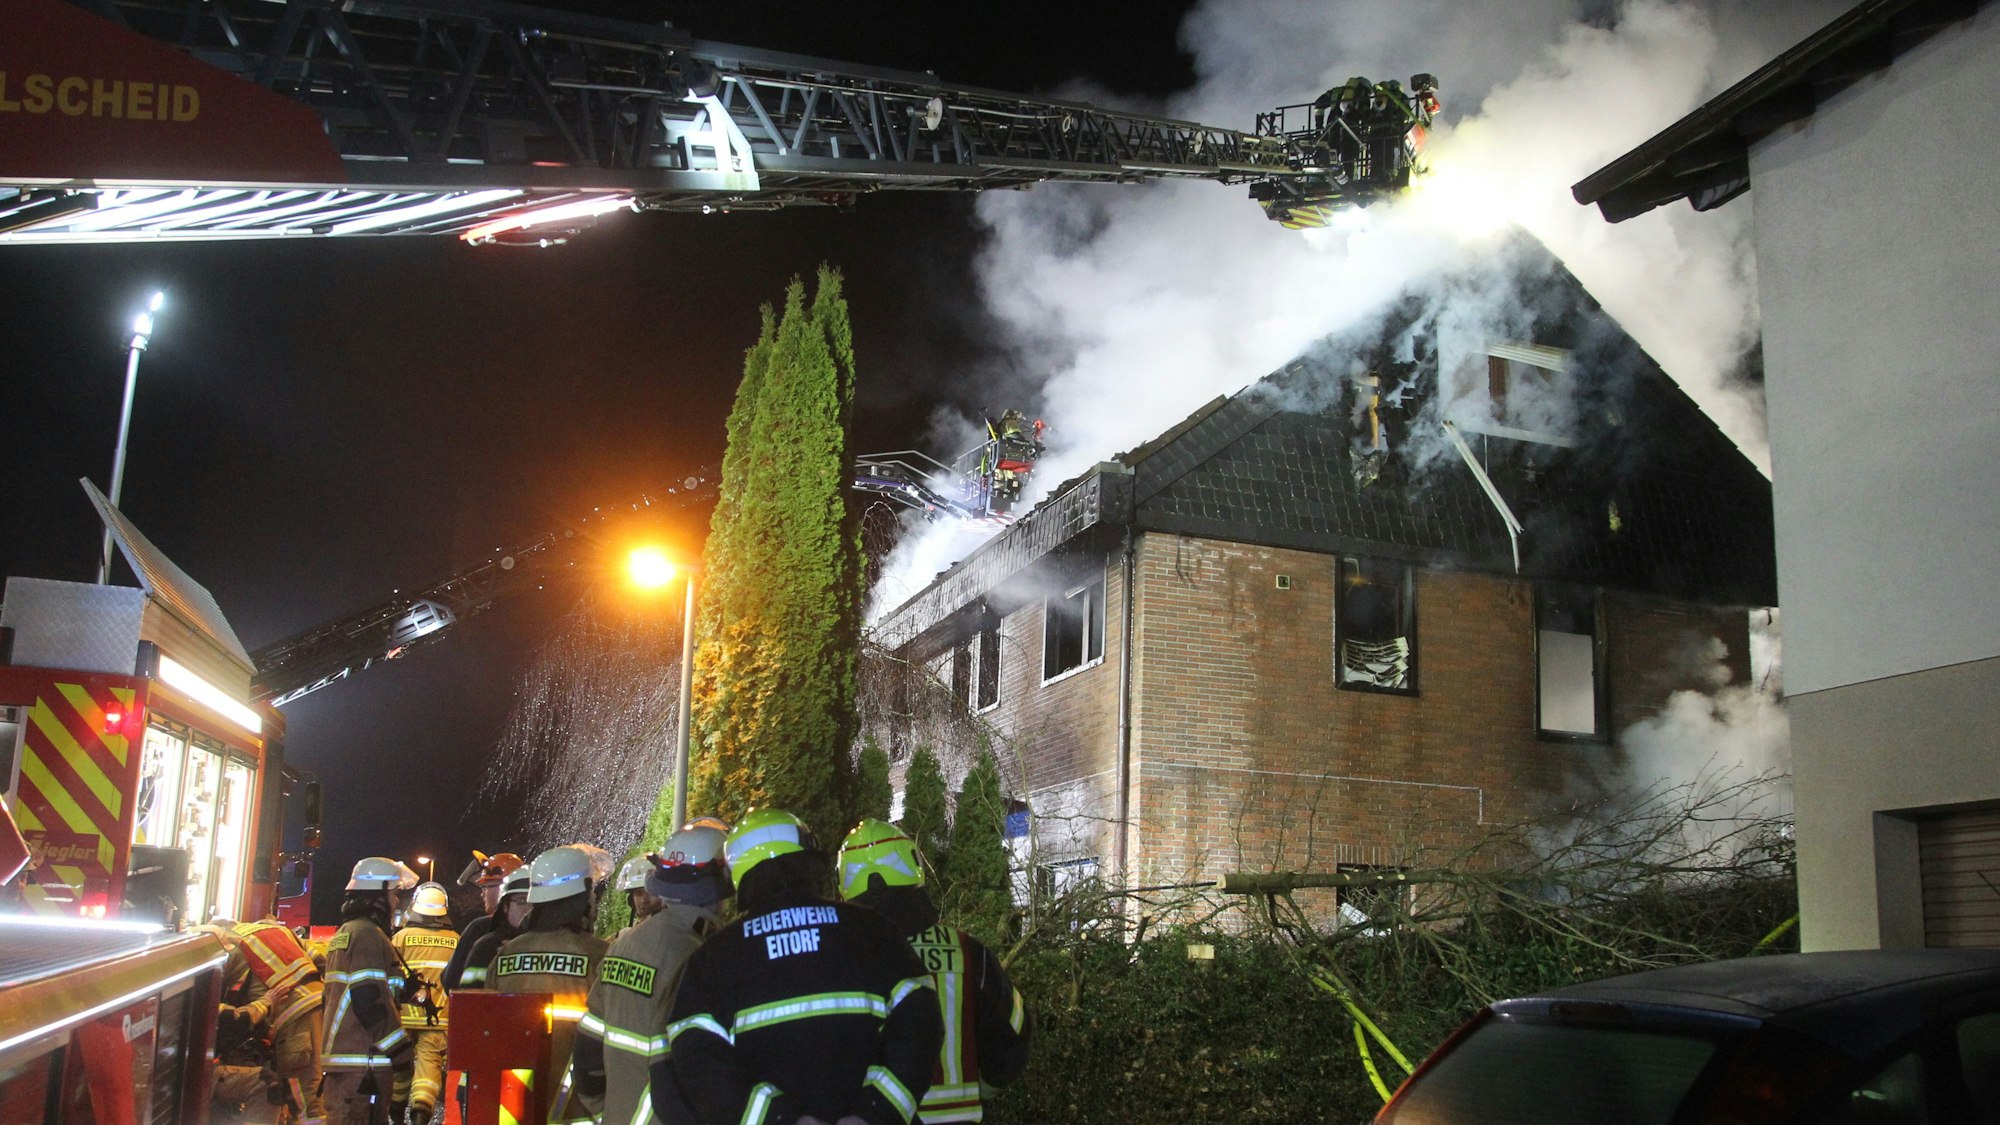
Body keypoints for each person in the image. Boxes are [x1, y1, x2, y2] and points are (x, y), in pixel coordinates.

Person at [658, 808, 943, 1125]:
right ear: (807, 859)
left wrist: (774, 1118)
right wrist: (874, 1111)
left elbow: (697, 1058)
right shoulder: (873, 930)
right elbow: (921, 1027)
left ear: (737, 873)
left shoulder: (714, 957)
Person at [837, 820, 1031, 1124]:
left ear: (844, 882)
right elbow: (1014, 1036)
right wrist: (980, 1092)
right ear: (913, 866)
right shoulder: (967, 953)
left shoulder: (838, 961)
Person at [574, 823, 732, 1125]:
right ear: (721, 881)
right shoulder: (701, 955)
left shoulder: (622, 946)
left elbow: (586, 1054)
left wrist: (607, 1113)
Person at [490, 844, 614, 1124]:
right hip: (578, 1109)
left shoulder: (506, 955)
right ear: (581, 897)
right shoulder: (599, 955)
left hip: (514, 1109)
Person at [322, 857, 420, 1125]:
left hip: (351, 1067)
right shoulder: (367, 935)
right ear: (377, 895)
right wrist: (400, 1051)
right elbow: (369, 1000)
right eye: (394, 894)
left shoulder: (349, 932)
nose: (396, 902)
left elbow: (358, 993)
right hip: (363, 1067)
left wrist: (403, 991)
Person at [392, 882, 460, 1125]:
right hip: (438, 1018)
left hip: (402, 1015)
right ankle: (421, 1111)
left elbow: (390, 974)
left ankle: (396, 1109)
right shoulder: (456, 940)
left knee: (399, 1064)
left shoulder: (400, 938)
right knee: (429, 1065)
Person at [441, 851, 524, 992]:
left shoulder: (480, 928)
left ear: (503, 888)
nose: (482, 893)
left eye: (486, 886)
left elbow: (451, 981)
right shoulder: (538, 929)